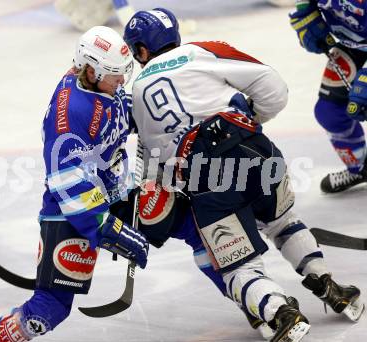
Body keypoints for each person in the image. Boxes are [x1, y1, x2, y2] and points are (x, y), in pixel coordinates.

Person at [123, 8, 365, 341]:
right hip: (254, 149)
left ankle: (279, 312)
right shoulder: (203, 50)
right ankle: (330, 286)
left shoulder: (136, 93)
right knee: (282, 221)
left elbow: (160, 165)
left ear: (141, 51)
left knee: (237, 266)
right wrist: (249, 120)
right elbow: (273, 87)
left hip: (207, 176)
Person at [0, 26, 149, 341]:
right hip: (71, 214)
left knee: (184, 220)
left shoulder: (105, 84)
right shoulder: (69, 113)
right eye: (114, 74)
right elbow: (69, 186)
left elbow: (122, 116)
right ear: (90, 69)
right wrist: (111, 230)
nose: (121, 81)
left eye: (124, 72)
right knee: (49, 309)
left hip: (109, 191)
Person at [290, 0, 367, 193]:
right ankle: (360, 168)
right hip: (353, 46)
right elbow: (303, 5)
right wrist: (305, 17)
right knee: (329, 112)